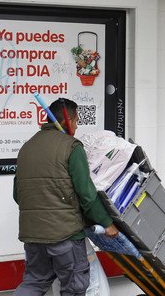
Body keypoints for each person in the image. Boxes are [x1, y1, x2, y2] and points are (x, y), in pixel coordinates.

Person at [13, 98, 119, 296]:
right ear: (68, 120)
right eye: (77, 121)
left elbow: (17, 194)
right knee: (74, 287)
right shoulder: (71, 147)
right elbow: (86, 194)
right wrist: (107, 223)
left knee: (33, 283)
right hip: (64, 235)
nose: (77, 127)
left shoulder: (27, 147)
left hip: (33, 235)